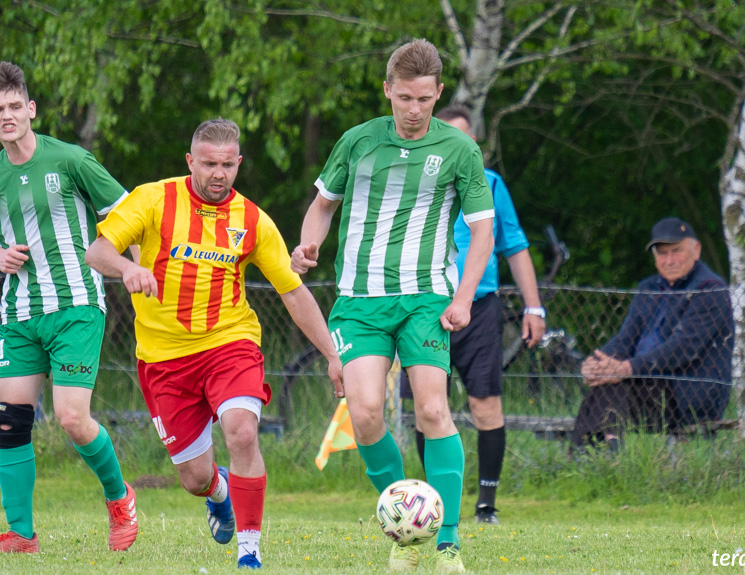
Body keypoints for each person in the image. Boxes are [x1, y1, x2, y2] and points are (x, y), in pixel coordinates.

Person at [85, 118, 343, 569]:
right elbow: (98, 251)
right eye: (208, 164)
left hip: (230, 343)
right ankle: (219, 493)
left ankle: (249, 553)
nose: (218, 174)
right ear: (191, 161)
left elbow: (293, 292)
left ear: (239, 163)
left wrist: (332, 356)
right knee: (194, 477)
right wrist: (127, 269)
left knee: (242, 430)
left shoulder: (252, 220)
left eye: (227, 164)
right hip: (164, 360)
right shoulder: (153, 199)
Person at [291, 40, 494, 573]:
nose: (414, 109)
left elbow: (482, 231)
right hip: (359, 301)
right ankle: (406, 533)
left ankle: (447, 542)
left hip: (426, 299)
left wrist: (464, 297)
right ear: (388, 91)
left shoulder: (459, 150)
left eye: (425, 99)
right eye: (404, 97)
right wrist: (308, 244)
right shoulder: (358, 141)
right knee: (365, 413)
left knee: (431, 409)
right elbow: (322, 206)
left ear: (438, 93)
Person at [0, 61, 138, 554]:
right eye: (0, 110)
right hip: (17, 312)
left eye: (15, 106)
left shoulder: (70, 160)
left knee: (71, 418)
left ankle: (120, 498)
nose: (7, 116)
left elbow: (129, 215)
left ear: (31, 109)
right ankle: (21, 533)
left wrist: (141, 278)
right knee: (9, 420)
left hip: (76, 305)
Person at [400, 105, 545, 525]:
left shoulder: (492, 185)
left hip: (479, 309)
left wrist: (533, 306)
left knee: (485, 405)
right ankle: (435, 503)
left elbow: (514, 246)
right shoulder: (414, 184)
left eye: (466, 138)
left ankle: (486, 506)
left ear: (475, 145)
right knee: (429, 409)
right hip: (425, 309)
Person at [572, 217, 733, 449]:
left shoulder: (709, 290)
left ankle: (589, 455)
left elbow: (682, 349)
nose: (669, 260)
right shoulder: (648, 289)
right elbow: (626, 339)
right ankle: (608, 449)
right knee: (608, 383)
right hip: (644, 388)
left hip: (686, 396)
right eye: (662, 254)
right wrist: (596, 363)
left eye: (676, 251)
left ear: (696, 250)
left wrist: (626, 369)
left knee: (612, 383)